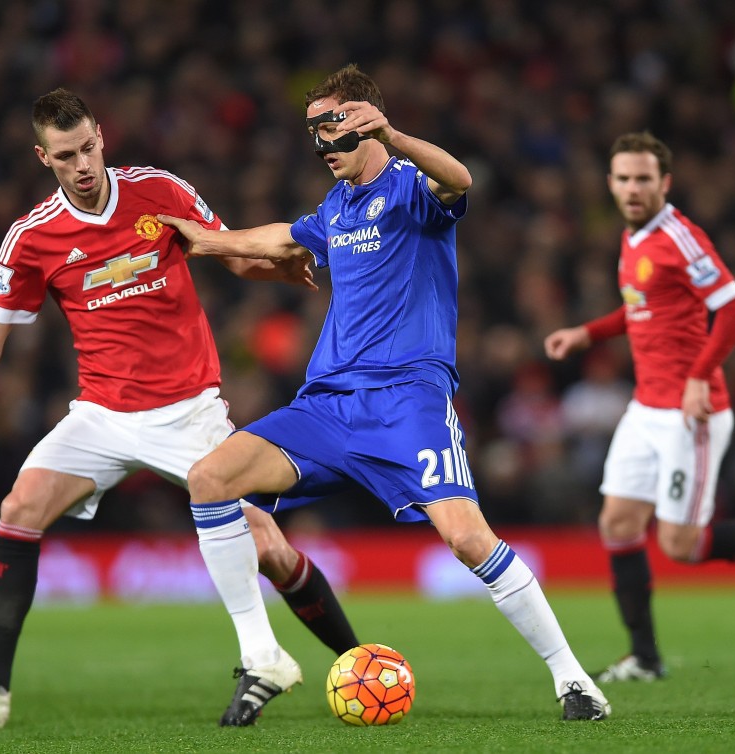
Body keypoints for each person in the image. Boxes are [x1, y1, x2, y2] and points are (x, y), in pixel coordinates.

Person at [159, 64, 611, 721]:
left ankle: (574, 681)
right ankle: (262, 657)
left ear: (365, 122)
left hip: (408, 401)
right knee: (209, 479)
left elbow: (461, 179)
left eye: (332, 127)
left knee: (465, 538)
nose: (322, 143)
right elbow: (281, 237)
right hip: (327, 406)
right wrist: (204, 242)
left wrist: (395, 136)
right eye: (313, 130)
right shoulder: (335, 208)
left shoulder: (413, 189)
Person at [0, 88, 359, 729]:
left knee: (268, 547)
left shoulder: (160, 191)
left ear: (101, 137)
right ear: (44, 158)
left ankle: (360, 664)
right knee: (19, 508)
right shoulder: (32, 238)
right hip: (102, 415)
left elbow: (222, 248)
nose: (83, 164)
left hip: (188, 410)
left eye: (88, 147)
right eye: (66, 155)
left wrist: (270, 268)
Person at [544, 131, 735, 682]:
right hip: (645, 408)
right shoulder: (633, 237)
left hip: (687, 414)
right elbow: (642, 309)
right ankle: (645, 658)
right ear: (610, 184)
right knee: (618, 523)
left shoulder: (678, 236)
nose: (632, 188)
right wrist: (587, 333)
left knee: (681, 545)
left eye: (643, 179)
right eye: (623, 178)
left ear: (664, 183)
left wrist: (700, 377)